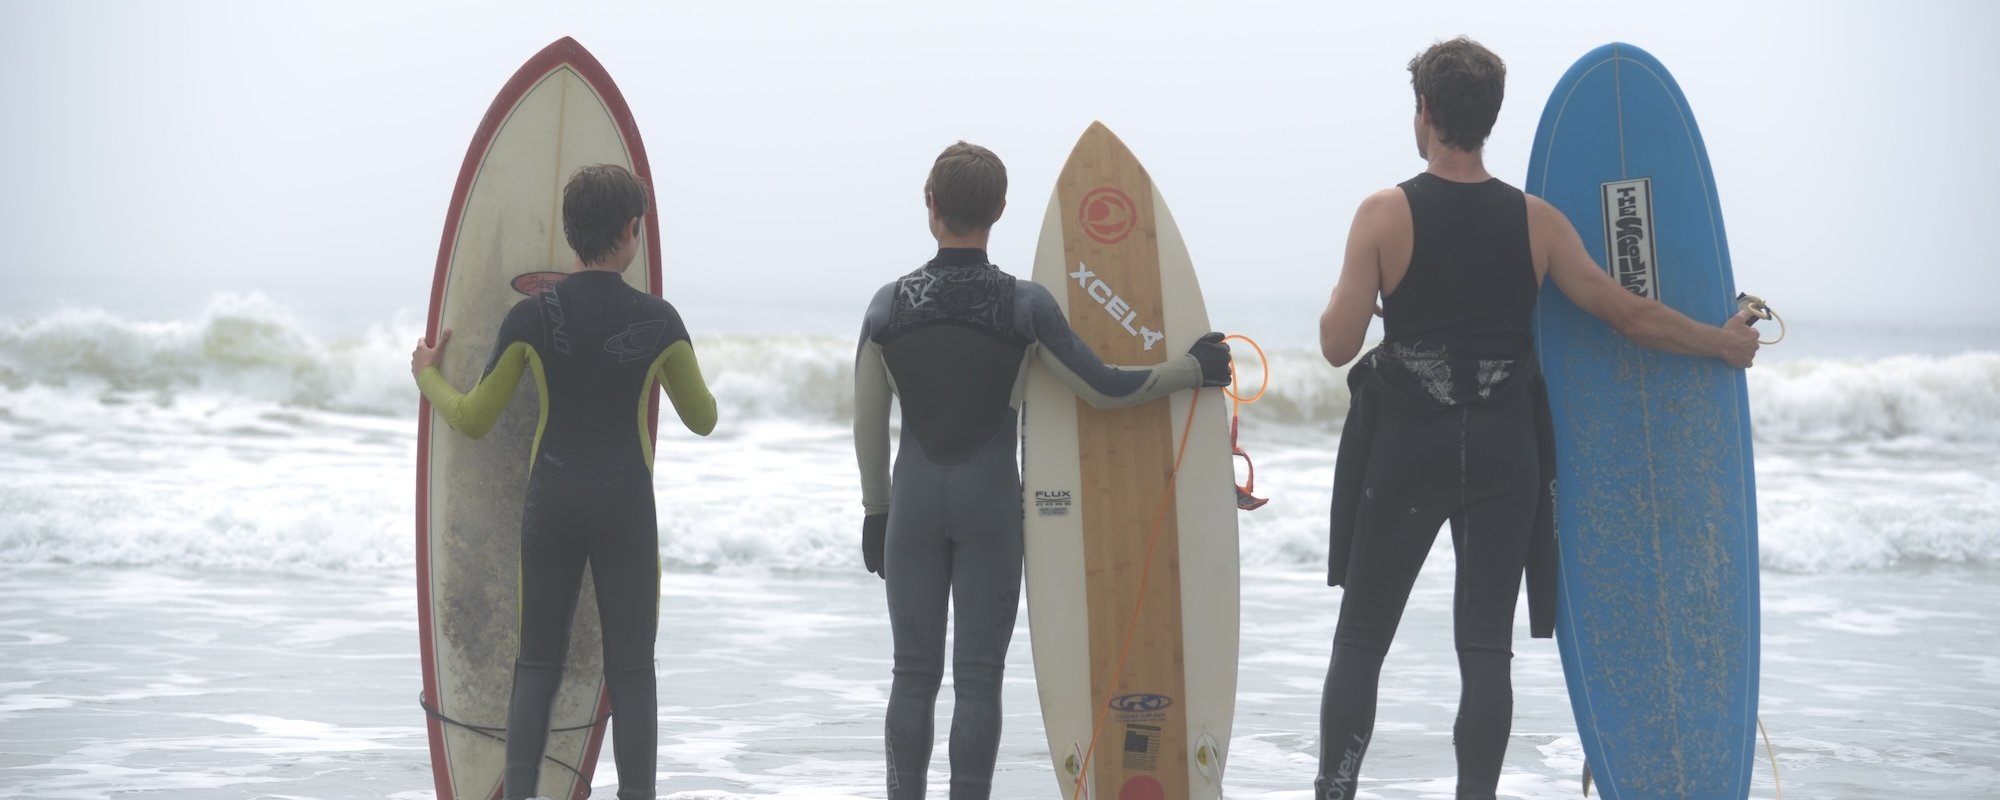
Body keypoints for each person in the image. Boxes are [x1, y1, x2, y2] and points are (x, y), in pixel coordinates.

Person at [1313, 37, 1760, 800]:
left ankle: (1336, 790)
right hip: (1502, 450)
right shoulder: (1538, 223)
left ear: (1424, 112)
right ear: (1490, 119)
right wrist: (1720, 343)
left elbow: (1335, 345)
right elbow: (1627, 314)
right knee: (1485, 647)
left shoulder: (1384, 214)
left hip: (1409, 449)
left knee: (1361, 640)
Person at [852, 141, 1232, 799]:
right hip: (989, 507)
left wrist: (875, 511)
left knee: (912, 675)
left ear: (930, 205)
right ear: (1000, 209)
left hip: (911, 506)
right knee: (977, 676)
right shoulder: (1024, 306)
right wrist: (1191, 371)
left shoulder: (887, 307)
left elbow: (865, 424)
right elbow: (1105, 388)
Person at [409, 164, 716, 800]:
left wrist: (427, 375)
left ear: (572, 236)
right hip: (626, 510)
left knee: (537, 664)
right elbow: (703, 418)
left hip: (550, 506)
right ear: (632, 232)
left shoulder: (531, 316)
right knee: (631, 671)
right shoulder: (659, 320)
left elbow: (473, 418)